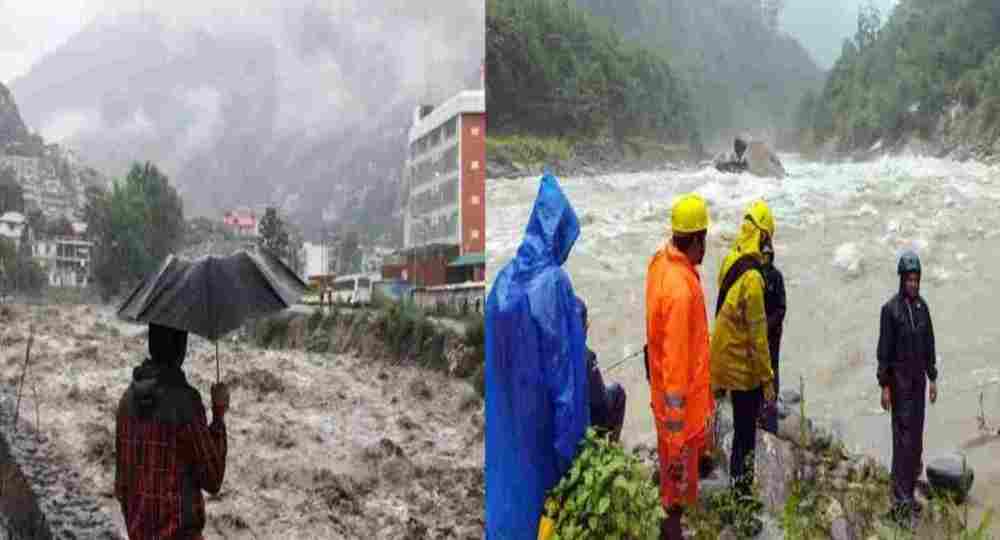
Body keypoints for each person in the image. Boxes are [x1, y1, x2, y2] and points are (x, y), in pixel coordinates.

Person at [485, 173, 589, 539]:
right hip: (541, 436)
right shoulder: (554, 285)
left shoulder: (501, 282)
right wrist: (573, 457)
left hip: (505, 429)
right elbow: (567, 384)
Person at [115, 324, 229, 540]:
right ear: (182, 347)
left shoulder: (126, 402)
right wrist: (219, 415)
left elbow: (121, 488)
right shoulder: (185, 404)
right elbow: (213, 479)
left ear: (151, 343)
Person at [645, 193, 714, 540]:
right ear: (697, 239)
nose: (707, 247)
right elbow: (675, 367)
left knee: (672, 492)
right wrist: (676, 441)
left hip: (666, 405)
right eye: (706, 239)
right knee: (674, 495)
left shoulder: (661, 263)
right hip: (680, 420)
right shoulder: (681, 290)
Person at [710, 200, 775, 510]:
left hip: (722, 358)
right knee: (745, 433)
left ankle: (736, 485)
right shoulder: (753, 279)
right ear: (762, 236)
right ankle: (742, 495)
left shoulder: (730, 260)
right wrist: (768, 379)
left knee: (738, 427)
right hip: (741, 368)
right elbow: (758, 335)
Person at [877, 250, 938, 524]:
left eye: (916, 279)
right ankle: (900, 500)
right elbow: (884, 351)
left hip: (918, 383)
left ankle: (909, 492)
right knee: (901, 441)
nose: (913, 284)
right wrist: (885, 386)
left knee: (915, 440)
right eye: (909, 280)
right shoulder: (890, 311)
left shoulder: (922, 308)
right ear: (902, 280)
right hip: (899, 385)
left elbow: (929, 345)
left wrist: (933, 377)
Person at [576, 295, 627, 443]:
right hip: (586, 423)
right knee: (618, 393)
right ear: (584, 328)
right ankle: (611, 448)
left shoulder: (549, 353)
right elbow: (601, 403)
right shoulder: (587, 357)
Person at [760, 238, 786, 435]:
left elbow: (781, 307)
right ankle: (757, 413)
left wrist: (768, 326)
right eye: (763, 254)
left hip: (772, 333)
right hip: (755, 333)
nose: (765, 258)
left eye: (768, 255)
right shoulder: (754, 276)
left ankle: (770, 418)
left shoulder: (776, 277)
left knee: (771, 371)